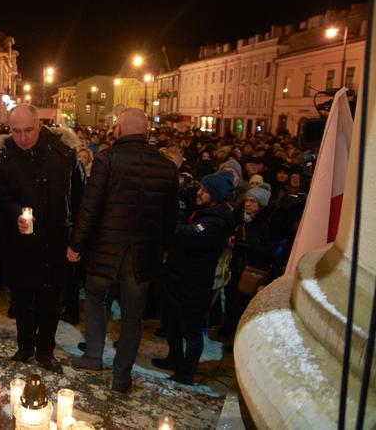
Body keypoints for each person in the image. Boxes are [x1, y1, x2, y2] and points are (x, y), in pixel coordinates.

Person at [67, 108, 179, 392]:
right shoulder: (166, 166)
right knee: (132, 317)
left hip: (106, 249)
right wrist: (164, 249)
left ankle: (93, 355)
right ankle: (121, 375)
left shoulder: (107, 159)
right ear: (145, 131)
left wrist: (76, 244)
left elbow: (89, 208)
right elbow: (170, 217)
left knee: (95, 300)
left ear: (119, 129)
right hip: (142, 255)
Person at [0, 104, 84, 373]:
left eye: (28, 130)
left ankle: (46, 351)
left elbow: (79, 198)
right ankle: (24, 346)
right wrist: (14, 214)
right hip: (19, 242)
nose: (22, 137)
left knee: (50, 300)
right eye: (16, 131)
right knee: (21, 298)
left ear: (40, 125)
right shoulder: (4, 157)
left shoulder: (63, 153)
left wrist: (76, 240)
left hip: (55, 239)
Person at [153, 171, 235, 385]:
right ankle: (174, 358)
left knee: (191, 330)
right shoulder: (202, 210)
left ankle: (187, 372)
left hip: (194, 282)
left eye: (205, 190)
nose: (199, 193)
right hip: (177, 275)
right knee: (171, 321)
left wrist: (178, 215)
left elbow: (184, 235)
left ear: (215, 195)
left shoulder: (217, 221)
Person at [223, 183, 275, 351]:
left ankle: (236, 338)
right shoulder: (240, 219)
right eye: (247, 200)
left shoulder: (266, 224)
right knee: (231, 300)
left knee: (242, 306)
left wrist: (245, 246)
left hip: (252, 272)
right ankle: (228, 329)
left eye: (253, 201)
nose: (248, 204)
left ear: (261, 205)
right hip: (237, 268)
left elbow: (270, 250)